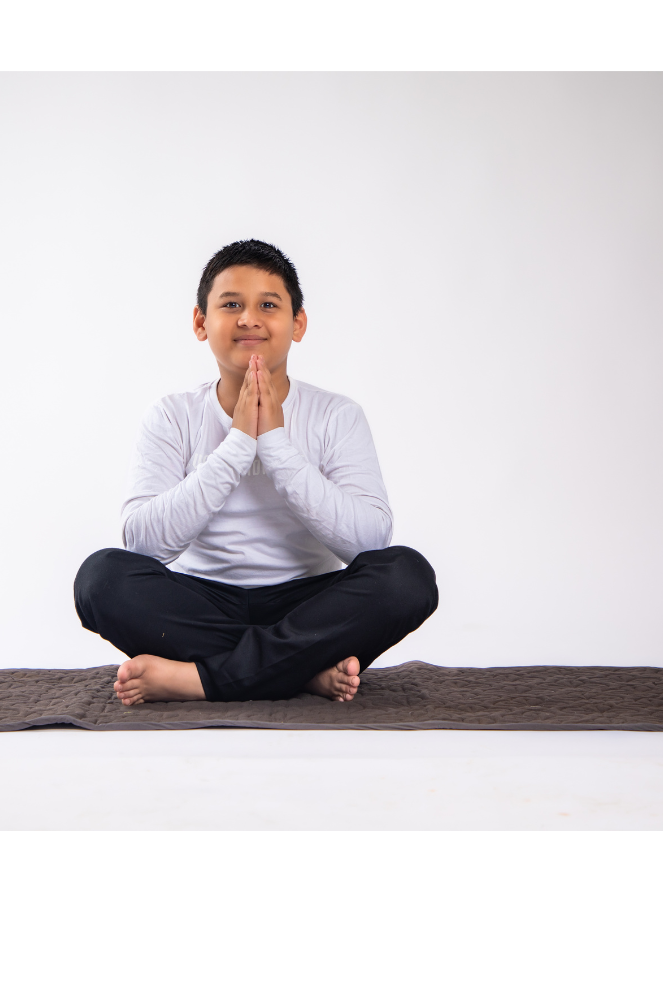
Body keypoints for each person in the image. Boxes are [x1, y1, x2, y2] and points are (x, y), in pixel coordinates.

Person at [74, 239, 438, 706]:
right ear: (201, 322)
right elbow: (143, 545)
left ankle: (199, 680)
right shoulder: (171, 415)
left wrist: (276, 445)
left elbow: (369, 542)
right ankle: (299, 671)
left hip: (310, 608)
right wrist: (238, 445)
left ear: (297, 323)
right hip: (199, 605)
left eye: (268, 305)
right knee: (100, 578)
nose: (249, 318)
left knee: (407, 576)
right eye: (231, 305)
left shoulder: (337, 415)